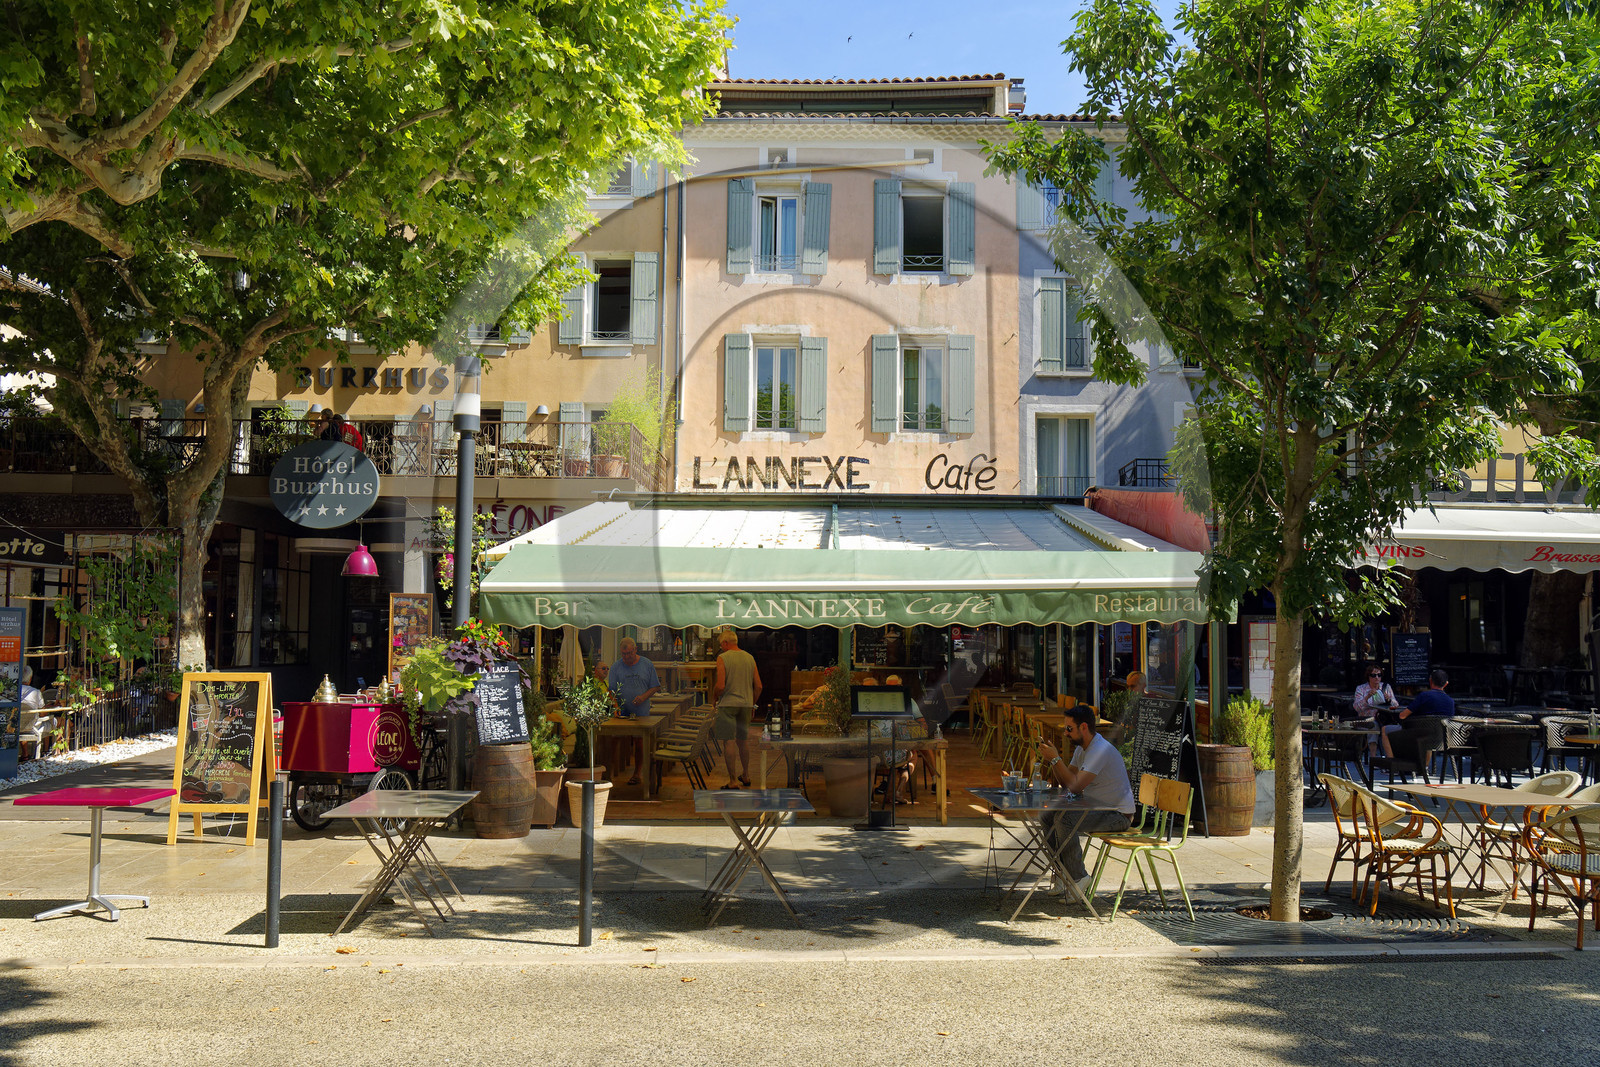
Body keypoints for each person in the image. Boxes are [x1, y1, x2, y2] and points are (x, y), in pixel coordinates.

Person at [1035, 706, 1137, 898]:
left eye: (1069, 729)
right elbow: (1066, 783)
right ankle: (1061, 873)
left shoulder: (1099, 750)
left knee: (1066, 819)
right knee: (1047, 815)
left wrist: (1056, 759)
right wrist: (1052, 760)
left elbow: (1075, 786)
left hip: (1117, 814)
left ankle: (1078, 877)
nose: (1065, 733)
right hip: (1096, 807)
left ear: (1083, 727)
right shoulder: (1082, 749)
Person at [607, 637, 661, 786]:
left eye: (630, 653)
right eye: (624, 654)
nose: (627, 657)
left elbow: (655, 686)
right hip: (621, 710)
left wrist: (643, 697)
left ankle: (637, 773)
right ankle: (609, 773)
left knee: (639, 741)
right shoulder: (616, 667)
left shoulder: (647, 664)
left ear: (635, 650)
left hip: (641, 709)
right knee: (614, 739)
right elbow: (611, 690)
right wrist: (616, 706)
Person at [713, 629, 761, 789]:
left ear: (726, 643)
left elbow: (720, 686)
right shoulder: (750, 658)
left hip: (728, 704)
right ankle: (746, 775)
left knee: (729, 741)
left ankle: (733, 780)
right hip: (746, 704)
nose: (721, 647)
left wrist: (714, 697)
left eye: (721, 645)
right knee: (743, 741)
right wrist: (752, 703)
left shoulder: (722, 658)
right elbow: (759, 686)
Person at [1380, 668, 1455, 758]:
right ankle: (1424, 768)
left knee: (1385, 730)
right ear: (1446, 684)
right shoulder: (1451, 701)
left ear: (1430, 681)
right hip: (1441, 739)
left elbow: (1402, 716)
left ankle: (1392, 764)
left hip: (1417, 736)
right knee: (1427, 734)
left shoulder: (1424, 696)